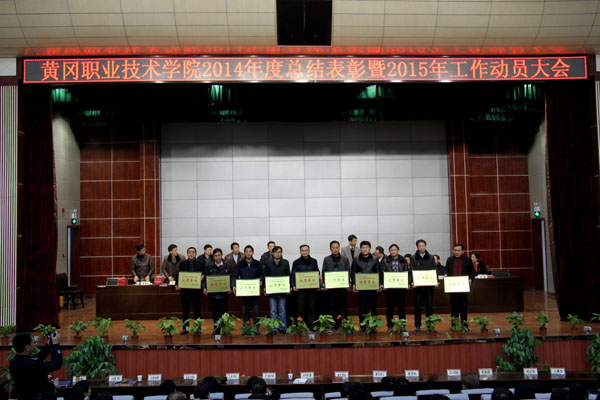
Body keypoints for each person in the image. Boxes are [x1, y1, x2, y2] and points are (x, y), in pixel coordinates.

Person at [10, 331, 62, 400]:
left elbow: (36, 358)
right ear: (27, 347)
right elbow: (56, 364)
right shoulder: (33, 364)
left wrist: (49, 345)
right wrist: (56, 345)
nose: (34, 343)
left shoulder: (14, 361)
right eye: (33, 342)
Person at [444, 243, 476, 329]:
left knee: (463, 308)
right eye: (455, 250)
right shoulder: (450, 260)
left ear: (462, 251)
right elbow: (446, 269)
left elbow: (473, 272)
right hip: (453, 287)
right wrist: (446, 274)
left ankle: (464, 325)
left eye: (458, 251)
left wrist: (470, 279)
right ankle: (454, 325)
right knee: (454, 308)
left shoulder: (467, 260)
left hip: (463, 287)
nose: (456, 252)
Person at [351, 240, 380, 330]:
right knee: (362, 307)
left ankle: (372, 325)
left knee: (372, 307)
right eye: (363, 247)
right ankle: (363, 325)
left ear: (369, 249)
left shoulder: (375, 259)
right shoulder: (356, 259)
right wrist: (354, 284)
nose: (365, 249)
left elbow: (378, 272)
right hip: (361, 288)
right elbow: (353, 272)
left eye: (366, 247)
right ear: (361, 249)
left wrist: (379, 284)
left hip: (372, 288)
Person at [380, 244, 409, 332]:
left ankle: (402, 325)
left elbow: (406, 272)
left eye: (395, 250)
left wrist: (407, 283)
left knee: (401, 307)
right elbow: (382, 273)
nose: (393, 251)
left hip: (401, 287)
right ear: (389, 251)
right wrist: (383, 284)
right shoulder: (385, 261)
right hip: (390, 288)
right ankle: (390, 326)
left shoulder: (403, 260)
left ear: (398, 251)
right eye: (391, 250)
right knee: (390, 308)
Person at [321, 240, 350, 328]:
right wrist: (324, 283)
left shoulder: (345, 259)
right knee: (331, 306)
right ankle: (332, 324)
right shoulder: (326, 259)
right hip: (331, 289)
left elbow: (348, 272)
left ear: (339, 248)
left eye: (337, 247)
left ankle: (343, 324)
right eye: (333, 248)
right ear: (330, 249)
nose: (335, 249)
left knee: (342, 306)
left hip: (342, 288)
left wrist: (348, 282)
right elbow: (324, 272)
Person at [203, 248, 232, 334]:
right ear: (213, 256)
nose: (217, 257)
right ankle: (216, 329)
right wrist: (204, 287)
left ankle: (225, 329)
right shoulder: (209, 266)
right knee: (215, 312)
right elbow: (205, 278)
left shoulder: (227, 266)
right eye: (215, 256)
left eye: (219, 255)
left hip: (224, 294)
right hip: (213, 294)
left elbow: (231, 278)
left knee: (224, 312)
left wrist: (230, 287)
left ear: (222, 255)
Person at [233, 245, 263, 327]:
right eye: (246, 251)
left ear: (253, 252)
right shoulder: (240, 264)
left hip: (254, 290)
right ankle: (246, 328)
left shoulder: (257, 263)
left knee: (256, 310)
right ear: (244, 253)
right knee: (245, 310)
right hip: (244, 290)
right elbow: (235, 276)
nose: (248, 253)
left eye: (250, 251)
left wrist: (261, 280)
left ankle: (256, 328)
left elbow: (261, 274)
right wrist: (234, 285)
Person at [411, 239, 437, 332]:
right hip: (417, 287)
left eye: (423, 246)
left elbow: (434, 270)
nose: (422, 247)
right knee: (417, 306)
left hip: (428, 286)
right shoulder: (413, 258)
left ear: (425, 246)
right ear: (417, 247)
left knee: (429, 306)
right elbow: (411, 270)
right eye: (420, 246)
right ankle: (417, 325)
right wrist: (412, 282)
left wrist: (435, 281)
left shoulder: (431, 257)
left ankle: (430, 325)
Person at [263, 245, 290, 333]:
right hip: (272, 291)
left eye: (279, 252)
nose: (278, 254)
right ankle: (273, 328)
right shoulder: (268, 263)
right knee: (273, 310)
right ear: (272, 253)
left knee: (282, 310)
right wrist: (265, 288)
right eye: (276, 252)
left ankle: (282, 327)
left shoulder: (285, 262)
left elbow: (288, 275)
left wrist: (288, 287)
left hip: (282, 290)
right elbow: (265, 276)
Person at [177, 246, 205, 334]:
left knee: (197, 310)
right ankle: (185, 328)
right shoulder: (183, 264)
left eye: (193, 252)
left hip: (196, 292)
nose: (191, 254)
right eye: (189, 252)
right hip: (185, 291)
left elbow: (205, 274)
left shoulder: (200, 263)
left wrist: (203, 277)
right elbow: (178, 275)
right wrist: (177, 284)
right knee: (185, 310)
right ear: (187, 254)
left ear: (195, 254)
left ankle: (197, 328)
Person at [291, 244, 319, 328]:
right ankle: (301, 326)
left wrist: (318, 279)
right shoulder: (296, 262)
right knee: (300, 309)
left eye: (306, 250)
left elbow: (317, 272)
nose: (304, 252)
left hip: (312, 289)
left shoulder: (314, 261)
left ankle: (312, 326)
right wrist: (293, 285)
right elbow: (293, 275)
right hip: (300, 290)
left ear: (309, 251)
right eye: (303, 251)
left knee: (312, 309)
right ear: (300, 252)